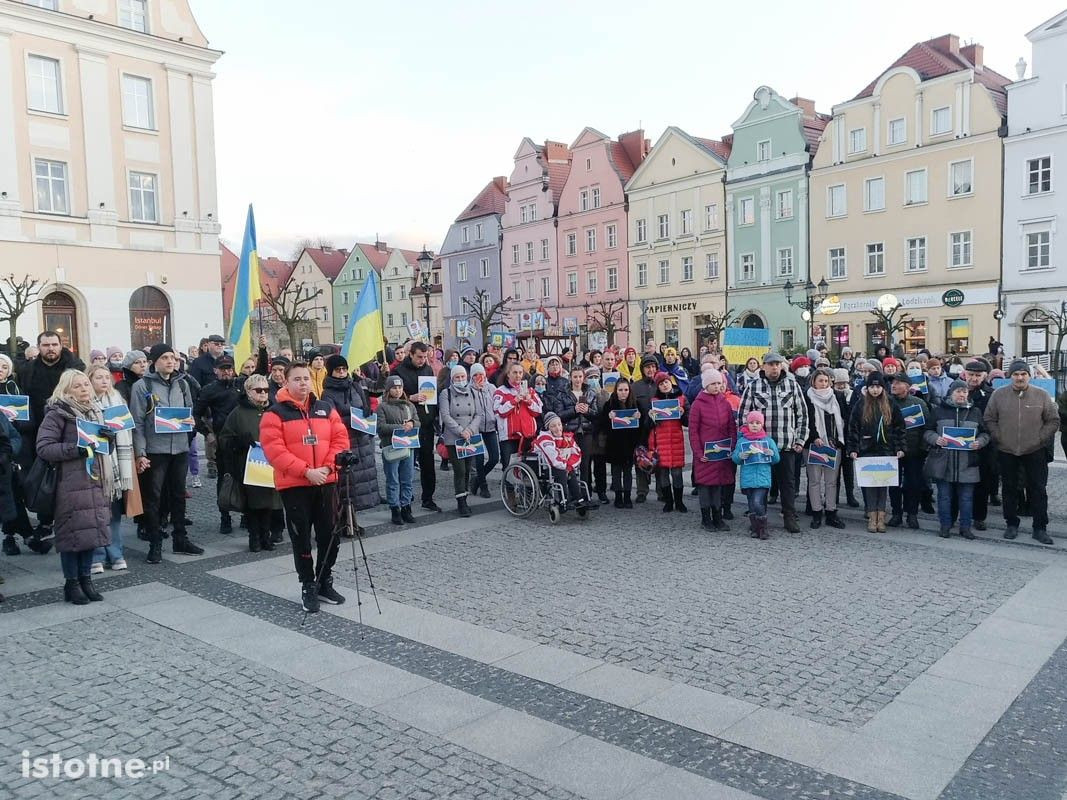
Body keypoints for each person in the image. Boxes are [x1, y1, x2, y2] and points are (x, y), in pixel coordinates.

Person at [260, 362, 349, 613]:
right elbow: (274, 451)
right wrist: (306, 471)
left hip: (326, 480)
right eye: (296, 379)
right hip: (296, 485)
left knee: (329, 535)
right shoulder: (274, 414)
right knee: (301, 537)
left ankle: (324, 580)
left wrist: (329, 468)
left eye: (306, 378)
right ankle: (307, 584)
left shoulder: (325, 408)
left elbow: (340, 439)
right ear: (286, 382)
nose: (303, 383)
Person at [36, 370, 116, 605]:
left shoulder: (94, 411)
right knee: (72, 534)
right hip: (69, 484)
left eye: (85, 385)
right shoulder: (57, 413)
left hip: (94, 480)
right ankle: (71, 583)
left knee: (90, 532)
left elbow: (101, 449)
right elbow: (44, 448)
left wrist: (107, 440)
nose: (84, 389)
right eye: (78, 386)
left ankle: (86, 579)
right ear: (66, 389)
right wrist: (76, 449)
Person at [130, 344, 203, 563]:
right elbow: (137, 421)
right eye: (164, 357)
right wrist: (140, 452)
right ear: (154, 361)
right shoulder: (142, 386)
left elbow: (189, 412)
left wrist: (190, 423)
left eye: (172, 357)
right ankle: (155, 542)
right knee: (153, 498)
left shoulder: (182, 384)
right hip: (155, 450)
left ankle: (180, 538)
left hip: (179, 447)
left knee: (179, 495)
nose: (170, 361)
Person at [984, 360, 1060, 545]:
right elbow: (989, 418)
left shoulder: (1041, 395)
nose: (1019, 377)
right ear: (1010, 376)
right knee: (1009, 489)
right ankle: (1011, 523)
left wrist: (1041, 438)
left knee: (1038, 490)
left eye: (1023, 374)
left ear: (1029, 376)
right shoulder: (998, 395)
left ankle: (1039, 527)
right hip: (1007, 449)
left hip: (1035, 450)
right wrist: (998, 436)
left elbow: (1053, 420)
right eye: (1016, 374)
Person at [737, 352, 808, 533]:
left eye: (777, 364)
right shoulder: (753, 387)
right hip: (760, 447)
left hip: (786, 445)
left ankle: (789, 516)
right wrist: (745, 439)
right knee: (762, 485)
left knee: (788, 483)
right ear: (764, 366)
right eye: (771, 364)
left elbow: (802, 414)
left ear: (782, 366)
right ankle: (760, 519)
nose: (774, 367)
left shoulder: (792, 385)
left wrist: (800, 440)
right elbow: (742, 416)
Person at [218, 374, 280, 553]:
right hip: (247, 465)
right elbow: (224, 439)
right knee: (253, 504)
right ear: (248, 392)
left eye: (266, 390)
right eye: (258, 390)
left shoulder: (274, 410)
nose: (263, 393)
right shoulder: (237, 413)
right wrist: (239, 441)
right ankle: (254, 538)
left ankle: (266, 536)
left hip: (271, 464)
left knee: (269, 502)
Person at [923, 380, 989, 540]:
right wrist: (936, 439)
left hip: (968, 463)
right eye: (958, 391)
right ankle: (945, 525)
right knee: (944, 497)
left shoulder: (975, 412)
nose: (962, 394)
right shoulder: (939, 411)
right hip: (943, 463)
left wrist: (979, 442)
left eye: (965, 392)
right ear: (951, 393)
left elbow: (985, 434)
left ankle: (965, 527)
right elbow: (926, 431)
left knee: (966, 498)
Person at [318, 354, 380, 522]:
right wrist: (350, 419)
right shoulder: (327, 394)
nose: (342, 372)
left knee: (360, 484)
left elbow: (365, 404)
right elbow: (331, 418)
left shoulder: (355, 386)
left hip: (362, 440)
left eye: (344, 369)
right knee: (346, 485)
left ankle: (353, 520)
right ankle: (345, 521)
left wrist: (367, 413)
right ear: (331, 372)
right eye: (338, 370)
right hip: (345, 441)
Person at [86, 365, 133, 572]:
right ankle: (96, 554)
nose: (104, 381)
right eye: (99, 377)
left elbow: (128, 430)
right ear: (90, 380)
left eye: (107, 377)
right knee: (95, 513)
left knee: (113, 513)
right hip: (95, 462)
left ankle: (115, 553)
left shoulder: (117, 400)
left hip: (116, 463)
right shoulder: (84, 402)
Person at [847, 372, 905, 533]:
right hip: (867, 450)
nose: (874, 390)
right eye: (871, 387)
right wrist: (853, 449)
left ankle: (881, 516)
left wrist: (900, 448)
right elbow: (853, 428)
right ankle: (872, 516)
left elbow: (899, 428)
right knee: (870, 485)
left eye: (878, 386)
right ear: (867, 388)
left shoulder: (891, 404)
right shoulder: (861, 404)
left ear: (882, 388)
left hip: (886, 451)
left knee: (882, 484)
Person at [392, 342, 441, 512]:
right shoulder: (398, 371)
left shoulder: (428, 370)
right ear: (410, 354)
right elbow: (391, 396)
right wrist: (410, 397)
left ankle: (428, 497)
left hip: (426, 424)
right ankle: (404, 498)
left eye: (425, 357)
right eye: (419, 357)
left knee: (428, 463)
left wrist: (435, 415)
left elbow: (432, 395)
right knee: (405, 463)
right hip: (407, 424)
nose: (422, 360)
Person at [193, 355, 239, 533]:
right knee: (225, 479)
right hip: (222, 440)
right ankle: (225, 516)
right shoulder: (209, 390)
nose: (227, 371)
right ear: (216, 370)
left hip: (242, 438)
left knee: (245, 478)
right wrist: (207, 433)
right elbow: (195, 414)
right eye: (223, 368)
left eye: (229, 368)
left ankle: (246, 515)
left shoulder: (241, 385)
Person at [0, 354, 40, 555]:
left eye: (4, 366)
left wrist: (14, 421)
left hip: (16, 451)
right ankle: (23, 536)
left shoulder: (17, 392)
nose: (0, 370)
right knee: (10, 496)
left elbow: (30, 422)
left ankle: (19, 536)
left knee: (16, 494)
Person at [688, 369, 736, 532]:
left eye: (719, 383)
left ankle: (718, 517)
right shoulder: (697, 404)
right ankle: (706, 519)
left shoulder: (725, 402)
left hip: (721, 453)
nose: (717, 386)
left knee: (718, 485)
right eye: (713, 384)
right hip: (705, 454)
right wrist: (699, 453)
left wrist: (731, 446)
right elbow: (693, 432)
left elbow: (731, 427)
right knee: (705, 487)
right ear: (706, 385)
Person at [887, 372, 933, 529]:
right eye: (893, 382)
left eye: (898, 383)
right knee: (893, 484)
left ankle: (912, 514)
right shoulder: (886, 402)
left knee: (913, 484)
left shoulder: (918, 403)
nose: (893, 385)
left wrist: (923, 448)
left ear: (907, 386)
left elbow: (927, 426)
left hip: (915, 452)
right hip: (893, 451)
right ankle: (896, 513)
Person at [803, 368, 847, 530]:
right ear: (813, 382)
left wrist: (840, 440)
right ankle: (816, 512)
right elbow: (805, 419)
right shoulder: (807, 397)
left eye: (826, 381)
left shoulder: (837, 397)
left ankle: (831, 512)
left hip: (834, 444)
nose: (823, 384)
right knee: (814, 481)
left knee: (831, 481)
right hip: (814, 445)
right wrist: (814, 437)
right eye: (820, 380)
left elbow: (843, 418)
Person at [438, 364, 483, 518]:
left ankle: (465, 497)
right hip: (454, 438)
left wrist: (469, 430)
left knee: (468, 468)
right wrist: (460, 430)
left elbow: (478, 414)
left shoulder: (472, 391)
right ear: (452, 379)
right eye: (457, 377)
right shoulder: (446, 393)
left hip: (470, 436)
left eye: (463, 377)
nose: (460, 379)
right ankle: (461, 501)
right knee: (460, 470)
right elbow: (445, 415)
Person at [732, 411, 780, 540]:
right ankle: (755, 528)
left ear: (762, 424)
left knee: (758, 502)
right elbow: (735, 458)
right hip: (747, 479)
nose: (754, 425)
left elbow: (776, 459)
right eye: (752, 423)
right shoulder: (742, 441)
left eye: (757, 423)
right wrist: (739, 456)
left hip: (762, 478)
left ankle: (763, 528)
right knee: (751, 506)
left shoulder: (768, 441)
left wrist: (772, 454)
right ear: (747, 424)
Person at [378, 375, 418, 525]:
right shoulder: (383, 406)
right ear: (389, 390)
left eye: (400, 387)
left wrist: (412, 423)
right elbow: (381, 427)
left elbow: (417, 421)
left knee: (407, 478)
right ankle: (395, 508)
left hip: (407, 446)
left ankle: (406, 506)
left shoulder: (409, 405)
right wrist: (400, 427)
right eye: (394, 388)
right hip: (391, 447)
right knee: (393, 479)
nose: (397, 390)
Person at [649, 371, 687, 513]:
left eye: (666, 382)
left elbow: (689, 421)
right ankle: (668, 501)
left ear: (670, 382)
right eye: (661, 384)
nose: (664, 385)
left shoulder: (681, 398)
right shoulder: (654, 401)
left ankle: (679, 501)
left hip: (676, 440)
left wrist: (683, 413)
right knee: (663, 473)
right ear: (657, 387)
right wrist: (650, 417)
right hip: (661, 441)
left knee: (677, 473)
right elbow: (649, 425)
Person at [494, 361, 543, 470]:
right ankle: (509, 486)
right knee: (510, 467)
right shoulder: (500, 391)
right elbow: (499, 412)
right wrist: (514, 401)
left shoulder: (530, 391)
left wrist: (529, 401)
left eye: (520, 373)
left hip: (527, 436)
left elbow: (538, 411)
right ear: (508, 374)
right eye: (515, 372)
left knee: (528, 466)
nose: (518, 375)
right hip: (509, 436)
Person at [601, 377, 641, 508]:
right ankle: (618, 496)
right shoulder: (609, 404)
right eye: (620, 390)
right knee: (616, 472)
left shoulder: (636, 404)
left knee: (628, 472)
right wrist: (608, 417)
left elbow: (642, 427)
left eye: (626, 390)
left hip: (629, 444)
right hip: (615, 445)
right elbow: (602, 425)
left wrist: (640, 417)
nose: (623, 392)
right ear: (616, 391)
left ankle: (628, 496)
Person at [533, 412, 585, 508]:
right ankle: (563, 500)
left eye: (559, 424)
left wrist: (569, 465)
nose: (558, 428)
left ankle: (579, 499)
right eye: (553, 426)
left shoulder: (567, 437)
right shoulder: (544, 439)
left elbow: (577, 453)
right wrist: (566, 466)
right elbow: (554, 460)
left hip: (561, 465)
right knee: (562, 472)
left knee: (571, 472)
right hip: (545, 467)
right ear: (548, 427)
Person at [630, 356, 661, 503]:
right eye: (647, 367)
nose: (651, 370)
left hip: (659, 430)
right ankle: (642, 491)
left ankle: (662, 491)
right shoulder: (635, 387)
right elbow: (630, 407)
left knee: (660, 460)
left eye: (653, 367)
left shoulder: (661, 384)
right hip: (641, 429)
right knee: (641, 459)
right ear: (642, 369)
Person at [467, 363, 499, 498]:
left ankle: (477, 479)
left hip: (490, 427)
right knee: (478, 459)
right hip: (476, 428)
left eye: (481, 374)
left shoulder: (491, 388)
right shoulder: (468, 390)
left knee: (494, 458)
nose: (479, 377)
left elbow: (497, 405)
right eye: (475, 375)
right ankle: (483, 485)